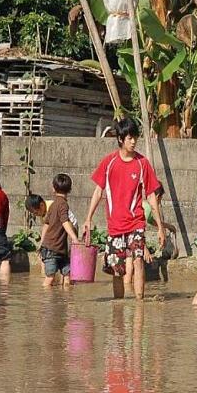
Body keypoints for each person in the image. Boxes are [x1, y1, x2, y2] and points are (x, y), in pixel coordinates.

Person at [82, 117, 164, 300]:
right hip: (115, 225)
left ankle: (139, 304)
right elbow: (98, 192)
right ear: (120, 139)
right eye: (130, 138)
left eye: (135, 137)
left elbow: (151, 196)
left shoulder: (143, 164)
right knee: (117, 270)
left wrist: (159, 226)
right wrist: (88, 218)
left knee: (138, 261)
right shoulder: (108, 162)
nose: (134, 142)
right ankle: (118, 308)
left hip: (136, 223)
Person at [38, 173, 79, 287]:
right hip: (53, 249)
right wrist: (75, 238)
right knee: (50, 277)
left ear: (53, 188)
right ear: (70, 190)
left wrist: (42, 242)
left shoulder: (53, 204)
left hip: (57, 249)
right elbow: (65, 222)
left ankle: (62, 301)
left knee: (67, 274)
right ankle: (47, 301)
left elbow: (46, 224)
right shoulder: (63, 205)